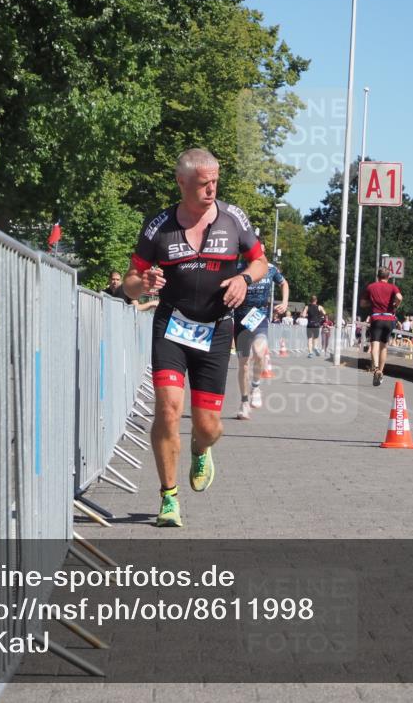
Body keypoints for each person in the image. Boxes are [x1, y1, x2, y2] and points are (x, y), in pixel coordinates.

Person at [123, 148, 268, 527]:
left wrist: (244, 278)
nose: (211, 190)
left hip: (217, 329)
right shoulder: (159, 226)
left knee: (209, 426)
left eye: (215, 182)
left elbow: (260, 261)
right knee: (168, 409)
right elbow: (129, 284)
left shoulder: (233, 218)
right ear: (181, 182)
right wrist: (145, 282)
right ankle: (168, 497)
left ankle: (200, 447)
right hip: (172, 326)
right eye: (204, 184)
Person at [233, 248, 289, 420]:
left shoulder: (270, 268)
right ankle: (244, 402)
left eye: (261, 252)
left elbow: (283, 283)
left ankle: (255, 386)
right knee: (243, 364)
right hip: (241, 316)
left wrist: (285, 302)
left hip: (260, 316)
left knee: (259, 351)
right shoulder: (237, 267)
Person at [360, 267, 402, 386]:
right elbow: (399, 298)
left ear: (377, 276)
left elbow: (362, 303)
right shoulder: (393, 287)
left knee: (375, 345)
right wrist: (395, 306)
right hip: (389, 319)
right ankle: (381, 372)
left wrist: (371, 303)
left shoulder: (371, 287)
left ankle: (376, 369)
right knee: (384, 347)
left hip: (376, 318)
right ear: (388, 277)